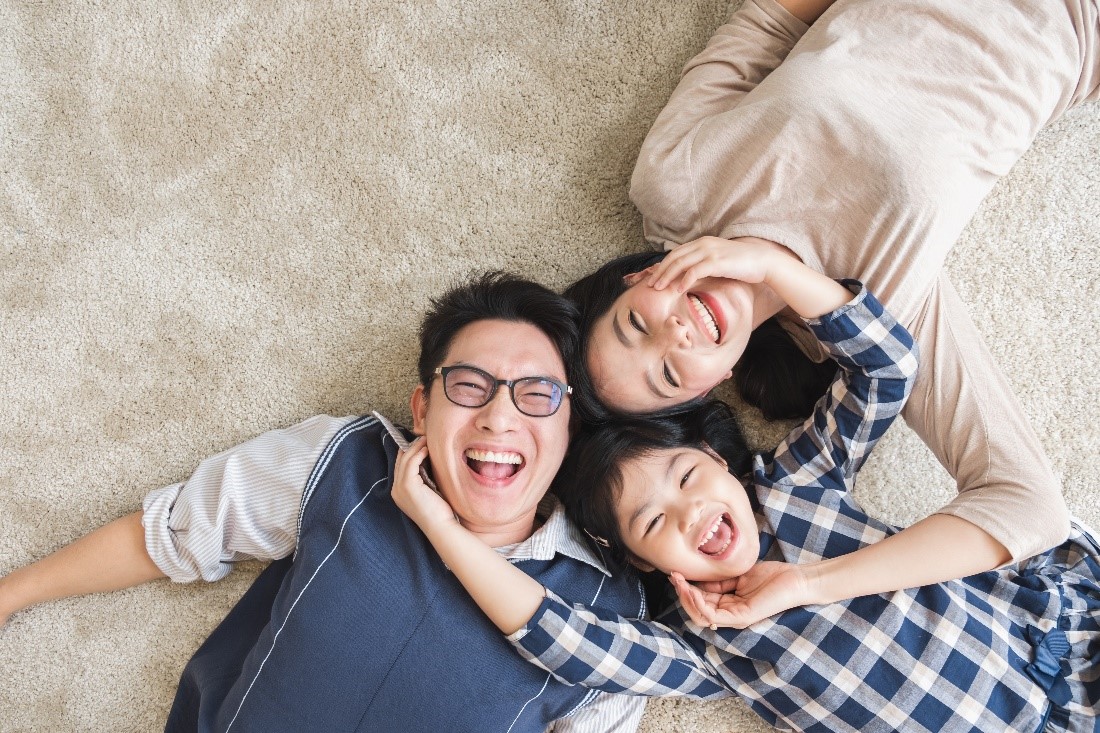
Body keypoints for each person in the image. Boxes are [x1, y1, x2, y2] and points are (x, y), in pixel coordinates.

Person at [390, 263, 1100, 732]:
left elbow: (887, 367)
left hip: (1051, 654)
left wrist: (768, 267)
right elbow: (558, 635)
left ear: (719, 460)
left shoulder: (797, 483)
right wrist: (438, 523)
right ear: (635, 557)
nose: (690, 512)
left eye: (690, 478)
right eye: (653, 522)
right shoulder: (709, 643)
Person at [567, 0, 1100, 571]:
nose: (674, 334)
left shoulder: (674, 186)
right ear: (712, 385)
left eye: (635, 324)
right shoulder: (871, 320)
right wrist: (817, 585)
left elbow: (769, 22)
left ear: (636, 277)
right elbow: (1030, 508)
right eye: (670, 374)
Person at [0, 273, 647, 732]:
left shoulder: (613, 614)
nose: (500, 418)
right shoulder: (343, 461)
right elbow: (171, 533)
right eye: (469, 385)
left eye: (537, 393)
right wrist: (11, 594)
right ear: (422, 409)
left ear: (569, 427)